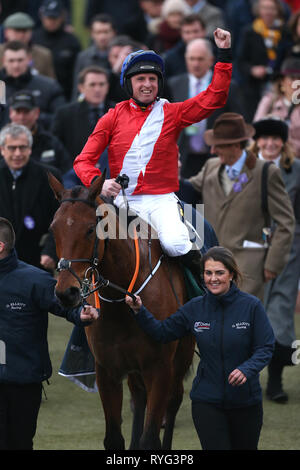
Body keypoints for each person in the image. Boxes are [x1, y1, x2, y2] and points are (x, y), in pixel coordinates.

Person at [73, 28, 232, 285]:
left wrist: (223, 54)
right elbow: (82, 161)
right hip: (124, 203)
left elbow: (215, 98)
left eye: (152, 79)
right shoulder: (111, 117)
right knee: (99, 252)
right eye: (140, 79)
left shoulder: (172, 112)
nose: (147, 84)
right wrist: (99, 183)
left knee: (175, 244)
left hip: (161, 201)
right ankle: (85, 322)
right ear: (129, 84)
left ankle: (200, 299)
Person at [125, 246, 275, 450]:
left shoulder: (251, 306)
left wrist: (246, 370)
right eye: (208, 273)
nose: (213, 278)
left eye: (220, 273)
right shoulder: (194, 308)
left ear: (231, 274)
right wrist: (140, 311)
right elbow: (162, 332)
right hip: (207, 402)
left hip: (246, 403)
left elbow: (265, 347)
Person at [0, 217, 98, 450]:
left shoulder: (34, 280)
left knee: (19, 443)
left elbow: (67, 307)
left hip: (22, 382)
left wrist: (81, 316)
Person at [186, 112, 295, 301]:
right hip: (211, 267)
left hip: (248, 269)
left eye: (218, 146)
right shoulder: (210, 167)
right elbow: (186, 191)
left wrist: (272, 264)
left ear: (235, 146)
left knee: (243, 325)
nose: (212, 151)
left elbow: (286, 222)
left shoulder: (266, 172)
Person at [250, 117, 300, 403]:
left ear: (284, 142)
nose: (270, 144)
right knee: (250, 313)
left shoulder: (297, 170)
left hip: (289, 252)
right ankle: (249, 379)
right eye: (264, 138)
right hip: (251, 249)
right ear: (257, 141)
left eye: (276, 139)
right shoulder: (246, 168)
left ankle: (276, 381)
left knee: (281, 314)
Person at [168, 37, 245, 178]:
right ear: (186, 60)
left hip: (216, 155)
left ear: (211, 60)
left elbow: (237, 120)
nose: (195, 64)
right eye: (191, 59)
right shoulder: (174, 84)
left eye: (200, 59)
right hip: (184, 157)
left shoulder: (228, 86)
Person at [0, 123, 59, 270]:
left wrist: (50, 252)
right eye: (12, 148)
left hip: (37, 261)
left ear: (30, 149)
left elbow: (59, 219)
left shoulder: (49, 177)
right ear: (2, 149)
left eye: (23, 147)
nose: (18, 153)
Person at [52, 66, 115, 187]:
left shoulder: (119, 112)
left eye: (101, 84)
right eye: (92, 85)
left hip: (112, 178)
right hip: (75, 179)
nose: (97, 89)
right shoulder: (65, 114)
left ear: (107, 87)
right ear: (81, 88)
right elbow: (57, 147)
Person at [237, 0, 288, 121]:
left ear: (277, 11)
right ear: (258, 10)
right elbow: (240, 60)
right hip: (254, 87)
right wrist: (252, 70)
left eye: (272, 8)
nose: (268, 12)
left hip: (279, 85)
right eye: (265, 8)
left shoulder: (284, 32)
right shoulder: (249, 31)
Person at [0, 40, 66, 129]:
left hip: (40, 138)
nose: (16, 65)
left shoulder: (48, 86)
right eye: (11, 61)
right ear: (3, 61)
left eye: (20, 60)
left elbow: (61, 117)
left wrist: (33, 117)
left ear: (29, 59)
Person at [8, 89, 72, 175]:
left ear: (37, 113)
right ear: (11, 113)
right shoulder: (2, 142)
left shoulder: (51, 143)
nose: (21, 117)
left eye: (26, 112)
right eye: (18, 111)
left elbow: (68, 174)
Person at [32, 0, 81, 100]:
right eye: (49, 17)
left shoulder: (72, 41)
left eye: (55, 17)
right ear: (41, 16)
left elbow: (77, 72)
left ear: (62, 17)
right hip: (38, 94)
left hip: (65, 93)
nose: (52, 21)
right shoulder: (33, 39)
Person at [253, 56, 300, 159]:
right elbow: (254, 133)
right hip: (268, 160)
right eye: (292, 78)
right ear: (282, 81)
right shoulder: (269, 102)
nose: (297, 83)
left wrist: (287, 145)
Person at [72, 13, 117, 100]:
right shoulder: (83, 57)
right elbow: (76, 90)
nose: (102, 37)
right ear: (92, 34)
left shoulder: (122, 55)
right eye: (98, 32)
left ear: (114, 33)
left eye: (106, 32)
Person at [0, 11, 56, 79]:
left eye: (25, 30)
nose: (21, 35)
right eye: (17, 30)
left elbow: (50, 83)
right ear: (6, 32)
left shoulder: (44, 55)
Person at [163, 13, 208, 79]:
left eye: (195, 31)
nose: (192, 36)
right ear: (181, 34)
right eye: (187, 32)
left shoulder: (216, 52)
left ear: (204, 31)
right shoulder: (171, 58)